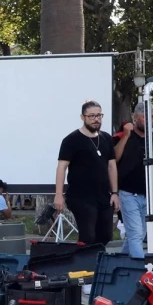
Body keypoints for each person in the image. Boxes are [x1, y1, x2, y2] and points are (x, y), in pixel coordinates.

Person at [54, 101, 119, 246]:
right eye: (91, 116)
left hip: (103, 195)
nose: (96, 119)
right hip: (80, 196)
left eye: (99, 115)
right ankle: (85, 265)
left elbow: (112, 166)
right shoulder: (71, 140)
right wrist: (58, 194)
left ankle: (96, 262)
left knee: (106, 235)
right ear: (82, 117)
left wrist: (115, 192)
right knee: (88, 236)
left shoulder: (106, 138)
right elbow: (61, 167)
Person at [114, 102, 153, 258]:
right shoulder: (123, 137)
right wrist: (126, 136)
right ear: (135, 117)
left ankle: (121, 262)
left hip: (147, 193)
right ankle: (141, 271)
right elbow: (114, 158)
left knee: (139, 234)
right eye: (145, 116)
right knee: (136, 234)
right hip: (128, 192)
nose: (150, 120)